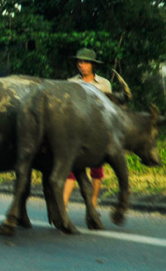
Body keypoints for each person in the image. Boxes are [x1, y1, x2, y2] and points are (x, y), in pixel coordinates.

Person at [63, 48, 113, 211]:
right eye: (79, 62)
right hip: (76, 131)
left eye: (85, 62)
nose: (81, 65)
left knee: (96, 169)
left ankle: (92, 204)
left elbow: (109, 108)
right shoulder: (71, 83)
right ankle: (63, 205)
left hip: (97, 131)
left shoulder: (104, 84)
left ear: (92, 65)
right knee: (71, 168)